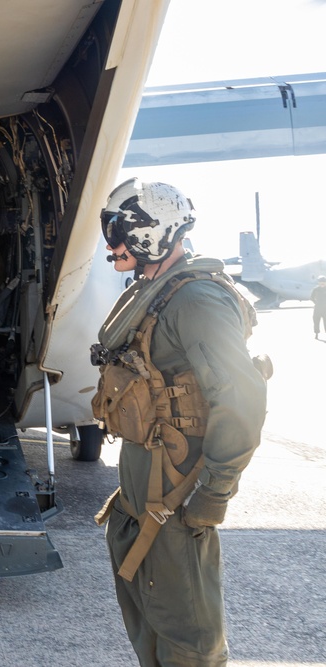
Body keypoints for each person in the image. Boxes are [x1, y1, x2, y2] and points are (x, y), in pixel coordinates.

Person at [91, 179, 268, 666]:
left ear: (152, 233)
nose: (112, 244)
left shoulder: (196, 300)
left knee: (189, 635)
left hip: (173, 491)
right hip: (141, 483)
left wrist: (215, 491)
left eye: (119, 230)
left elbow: (241, 396)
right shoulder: (154, 292)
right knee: (149, 621)